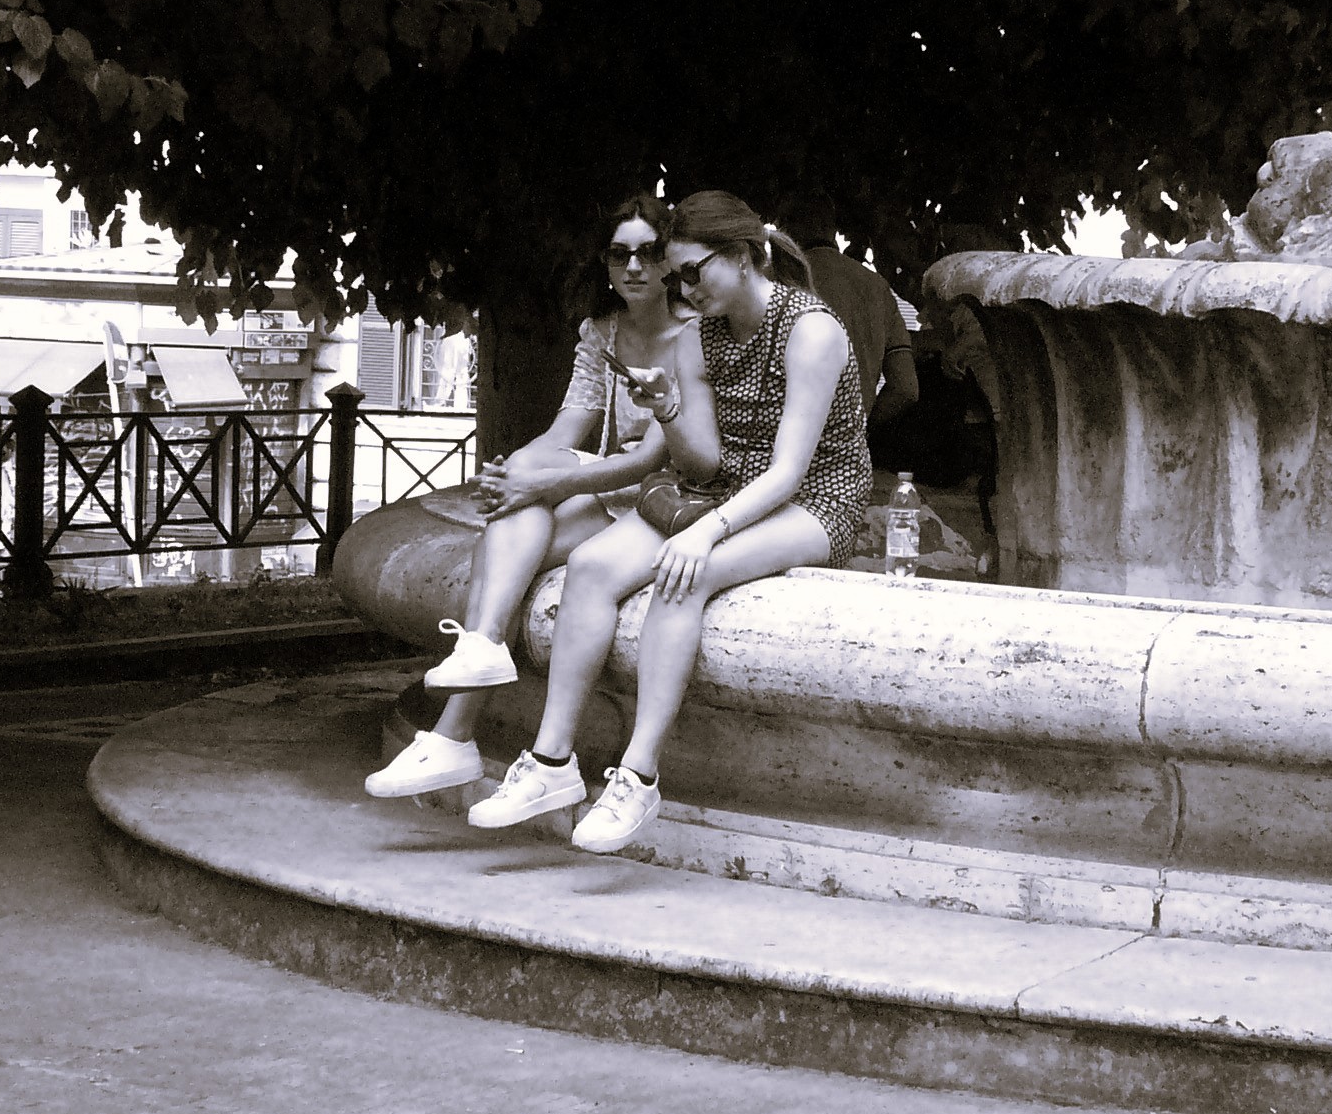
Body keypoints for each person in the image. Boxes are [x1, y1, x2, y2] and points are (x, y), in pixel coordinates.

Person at [465, 189, 872, 853]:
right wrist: (667, 409)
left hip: (814, 500)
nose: (682, 286)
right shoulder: (696, 339)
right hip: (721, 490)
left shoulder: (811, 330)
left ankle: (639, 774)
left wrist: (705, 531)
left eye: (693, 270)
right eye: (676, 273)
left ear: (742, 257)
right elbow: (704, 461)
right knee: (592, 566)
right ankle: (550, 762)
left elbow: (790, 472)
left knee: (688, 572)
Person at [363, 194, 718, 800]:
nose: (632, 268)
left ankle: (456, 731)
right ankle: (476, 665)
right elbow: (566, 430)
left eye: (648, 253)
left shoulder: (695, 335)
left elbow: (649, 458)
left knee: (509, 535)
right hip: (602, 487)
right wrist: (520, 471)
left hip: (654, 493)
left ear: (670, 261)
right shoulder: (601, 330)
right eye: (618, 254)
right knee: (514, 510)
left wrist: (544, 482)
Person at [775, 189, 918, 430]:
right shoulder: (876, 287)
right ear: (831, 228)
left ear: (788, 228)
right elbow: (906, 388)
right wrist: (860, 430)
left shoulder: (774, 282)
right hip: (848, 452)